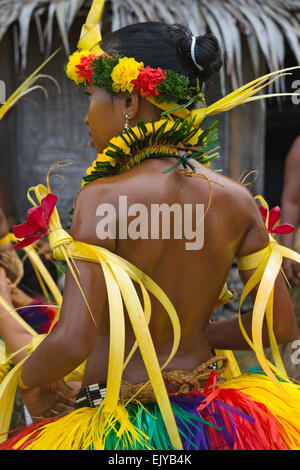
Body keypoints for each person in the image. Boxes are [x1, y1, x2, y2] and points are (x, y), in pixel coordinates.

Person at [1, 11, 300, 450]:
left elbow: (72, 342)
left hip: (112, 416)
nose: (86, 116)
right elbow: (279, 326)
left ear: (128, 103)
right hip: (209, 418)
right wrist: (195, 331)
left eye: (90, 96)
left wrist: (24, 378)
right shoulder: (236, 200)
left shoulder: (102, 198)